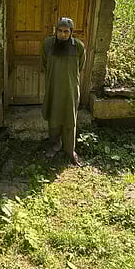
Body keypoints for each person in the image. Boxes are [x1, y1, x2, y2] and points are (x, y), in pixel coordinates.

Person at [41, 17, 86, 165]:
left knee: (69, 119)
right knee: (53, 118)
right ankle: (55, 144)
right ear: (56, 31)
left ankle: (70, 150)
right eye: (60, 31)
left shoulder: (78, 46)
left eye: (66, 31)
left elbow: (80, 66)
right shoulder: (47, 44)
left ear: (71, 32)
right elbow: (44, 63)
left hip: (70, 90)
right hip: (53, 88)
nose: (62, 34)